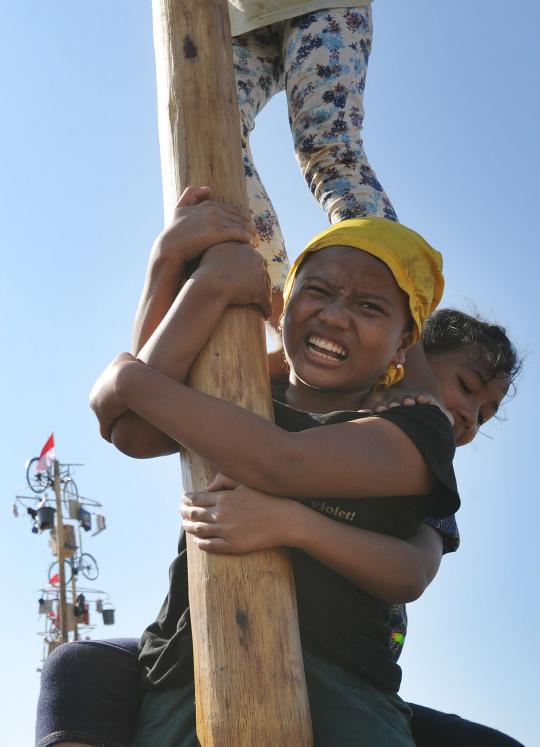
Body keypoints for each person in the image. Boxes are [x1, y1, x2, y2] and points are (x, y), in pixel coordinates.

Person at [85, 206, 463, 747]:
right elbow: (136, 434)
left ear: (403, 343)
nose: (335, 316)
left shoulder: (417, 426)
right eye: (319, 291)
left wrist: (124, 376)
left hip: (344, 687)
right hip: (193, 667)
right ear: (284, 304)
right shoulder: (239, 389)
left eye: (369, 306)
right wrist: (182, 275)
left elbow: (281, 464)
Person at [227, 1, 394, 325]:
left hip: (322, 5)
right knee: (215, 133)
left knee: (329, 149)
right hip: (238, 19)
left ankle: (384, 308)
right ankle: (277, 314)